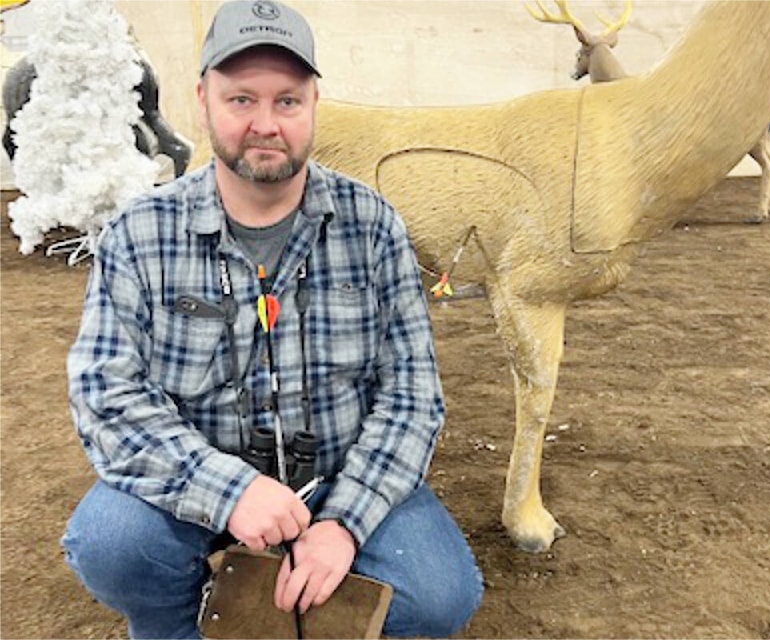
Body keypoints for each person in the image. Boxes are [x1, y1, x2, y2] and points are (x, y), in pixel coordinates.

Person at [62, 1, 483, 638]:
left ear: (314, 102)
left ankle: (314, 591)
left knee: (439, 596)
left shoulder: (372, 227)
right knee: (115, 543)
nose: (266, 124)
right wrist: (227, 491)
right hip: (195, 484)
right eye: (241, 100)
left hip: (340, 477)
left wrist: (344, 523)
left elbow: (412, 398)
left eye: (287, 101)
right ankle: (181, 623)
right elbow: (107, 395)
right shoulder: (139, 233)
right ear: (203, 98)